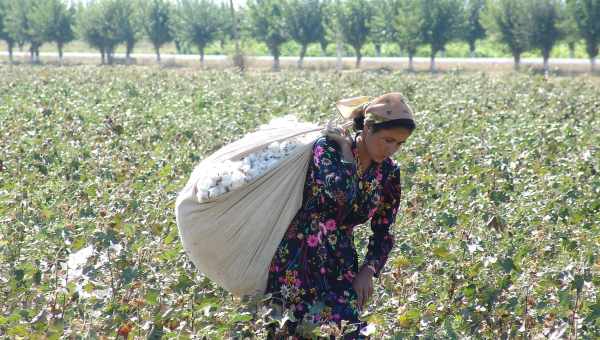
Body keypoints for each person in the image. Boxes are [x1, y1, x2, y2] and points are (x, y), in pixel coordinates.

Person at [265, 93, 416, 339]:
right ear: (367, 128)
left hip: (341, 265)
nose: (391, 150)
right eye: (387, 140)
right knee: (290, 330)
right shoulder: (328, 148)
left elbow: (384, 228)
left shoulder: (388, 172)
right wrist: (347, 151)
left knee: (346, 331)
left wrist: (369, 270)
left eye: (399, 144)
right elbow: (340, 192)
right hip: (297, 260)